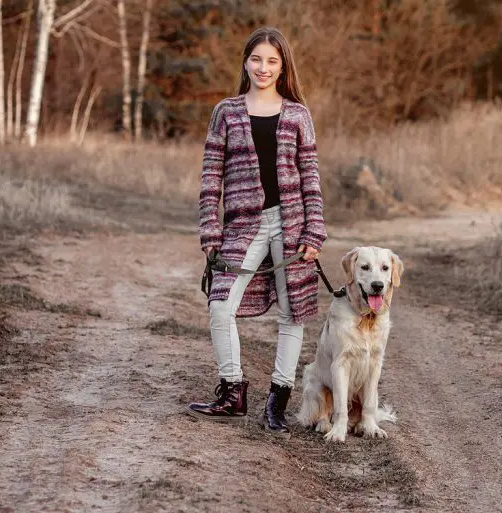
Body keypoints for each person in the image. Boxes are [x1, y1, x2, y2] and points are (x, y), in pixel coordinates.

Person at [187, 27, 326, 439]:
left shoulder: (298, 115)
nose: (263, 68)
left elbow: (311, 178)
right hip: (242, 226)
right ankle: (233, 391)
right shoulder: (225, 112)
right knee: (219, 305)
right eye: (256, 59)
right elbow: (211, 175)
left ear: (283, 68)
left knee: (292, 312)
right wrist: (210, 229)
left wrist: (314, 231)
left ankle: (277, 402)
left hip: (292, 223)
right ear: (245, 62)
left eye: (272, 61)